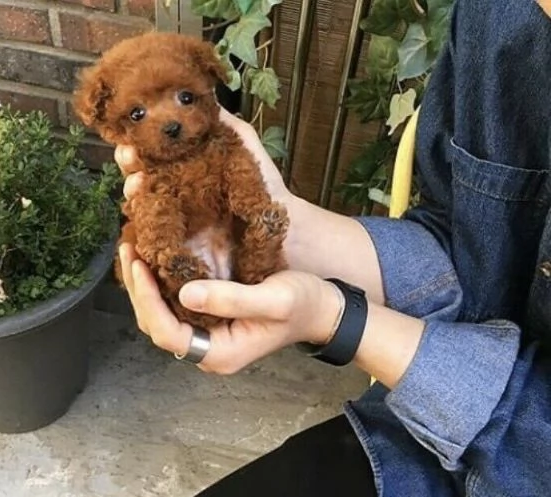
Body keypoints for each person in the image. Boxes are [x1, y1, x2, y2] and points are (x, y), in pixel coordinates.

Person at [114, 0, 551, 495]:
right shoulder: (502, 14)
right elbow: (460, 239)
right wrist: (290, 229)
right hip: (417, 431)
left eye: (184, 98)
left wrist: (342, 322)